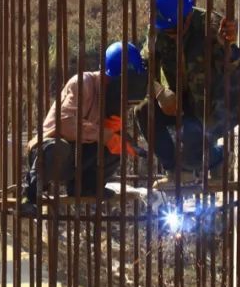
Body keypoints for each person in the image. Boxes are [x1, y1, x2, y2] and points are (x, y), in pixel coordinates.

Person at [21, 42, 147, 210]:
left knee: (116, 148)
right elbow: (64, 123)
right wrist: (104, 134)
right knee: (59, 147)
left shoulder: (112, 97)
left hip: (78, 155)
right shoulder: (83, 83)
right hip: (50, 151)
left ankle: (85, 187)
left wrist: (127, 142)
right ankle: (29, 195)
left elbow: (112, 135)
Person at [138, 0, 240, 175]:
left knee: (192, 156)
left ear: (187, 17)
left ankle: (218, 157)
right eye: (167, 31)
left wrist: (226, 48)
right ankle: (175, 171)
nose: (170, 35)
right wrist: (159, 92)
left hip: (215, 105)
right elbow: (143, 67)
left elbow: (236, 68)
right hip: (182, 102)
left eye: (173, 30)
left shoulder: (211, 25)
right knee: (143, 110)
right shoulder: (158, 29)